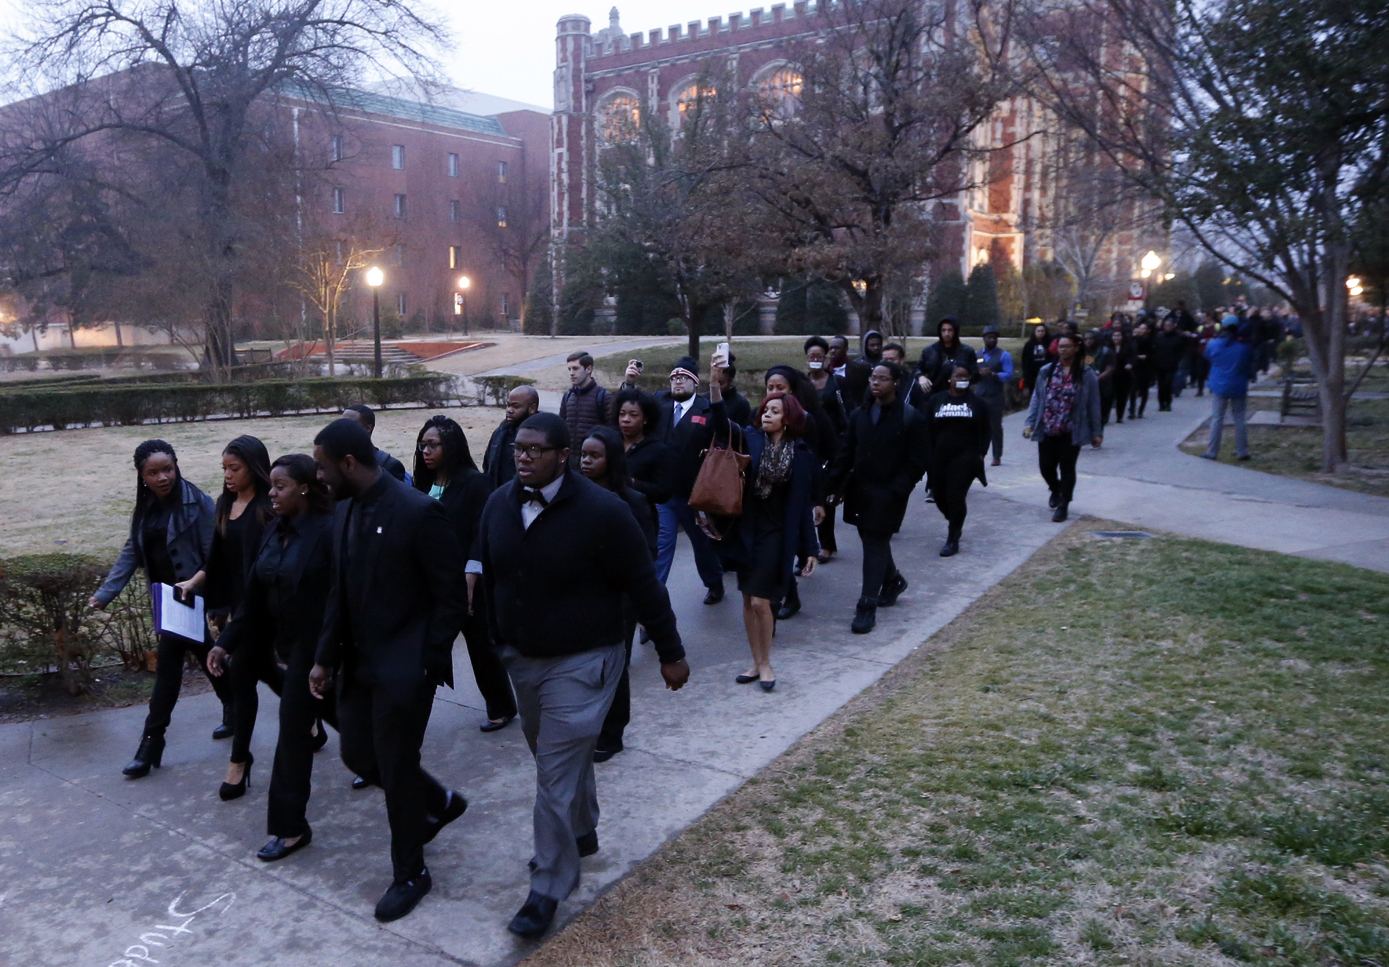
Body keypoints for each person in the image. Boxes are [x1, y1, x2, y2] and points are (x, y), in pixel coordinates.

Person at [476, 412, 690, 938]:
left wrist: (670, 651)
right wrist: (494, 638)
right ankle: (585, 829)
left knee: (553, 772)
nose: (522, 457)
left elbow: (645, 584)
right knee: (556, 757)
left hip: (586, 659)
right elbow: (486, 568)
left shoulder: (604, 512)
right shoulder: (499, 503)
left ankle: (548, 884)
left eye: (534, 450)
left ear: (562, 456)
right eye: (518, 449)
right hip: (523, 660)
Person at [309, 418, 469, 923]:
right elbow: (339, 590)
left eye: (321, 466)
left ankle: (411, 873)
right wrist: (323, 657)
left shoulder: (420, 512)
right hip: (357, 663)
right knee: (358, 753)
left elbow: (451, 600)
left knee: (396, 768)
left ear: (349, 463)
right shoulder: (344, 510)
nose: (318, 476)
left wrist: (425, 661)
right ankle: (438, 800)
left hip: (404, 669)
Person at [212, 454, 337, 861]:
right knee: (363, 739)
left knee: (293, 732)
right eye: (272, 486)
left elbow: (342, 599)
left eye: (280, 486)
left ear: (304, 487)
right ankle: (432, 800)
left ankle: (289, 829)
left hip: (320, 649)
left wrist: (327, 656)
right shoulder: (271, 531)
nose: (272, 492)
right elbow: (254, 598)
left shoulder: (329, 530)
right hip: (290, 645)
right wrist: (225, 642)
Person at [90, 440, 235, 779]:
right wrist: (106, 592)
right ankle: (234, 705)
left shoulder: (196, 502)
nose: (162, 478)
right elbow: (132, 550)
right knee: (204, 653)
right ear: (142, 476)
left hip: (189, 597)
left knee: (168, 670)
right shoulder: (146, 507)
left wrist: (214, 601)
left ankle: (150, 744)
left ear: (176, 466)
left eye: (167, 469)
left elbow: (215, 553)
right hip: (165, 600)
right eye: (153, 472)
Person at [710, 354, 821, 689]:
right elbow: (720, 423)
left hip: (776, 534)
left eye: (774, 410)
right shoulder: (749, 439)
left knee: (761, 600)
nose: (766, 413)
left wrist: (810, 548)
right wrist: (713, 382)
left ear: (788, 418)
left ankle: (767, 662)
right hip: (746, 530)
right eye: (765, 408)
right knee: (747, 599)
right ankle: (756, 662)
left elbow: (802, 507)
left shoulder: (801, 456)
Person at [415, 415, 517, 733]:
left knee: (482, 649)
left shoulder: (475, 483)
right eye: (422, 444)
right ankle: (409, 721)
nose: (425, 451)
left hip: (469, 585)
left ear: (452, 446)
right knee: (426, 650)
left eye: (433, 444)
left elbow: (483, 532)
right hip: (433, 584)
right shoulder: (422, 484)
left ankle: (501, 706)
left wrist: (471, 574)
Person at [194, 436, 278, 799]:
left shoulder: (268, 508)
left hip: (264, 608)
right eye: (224, 469)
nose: (228, 476)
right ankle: (314, 716)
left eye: (235, 468)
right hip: (239, 609)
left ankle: (239, 763)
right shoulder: (225, 504)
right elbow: (217, 559)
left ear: (254, 468)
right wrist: (200, 587)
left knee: (242, 673)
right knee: (270, 673)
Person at [827, 362, 929, 635]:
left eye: (883, 379)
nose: (876, 382)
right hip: (860, 490)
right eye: (874, 377)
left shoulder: (911, 418)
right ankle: (893, 579)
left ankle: (866, 606)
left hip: (890, 492)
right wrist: (828, 487)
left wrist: (900, 487)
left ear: (895, 383)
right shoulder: (860, 416)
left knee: (874, 541)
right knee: (871, 538)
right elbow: (845, 454)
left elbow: (919, 459)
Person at [579, 425, 658, 761]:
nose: (585, 461)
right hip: (581, 596)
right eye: (583, 454)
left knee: (613, 665)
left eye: (594, 456)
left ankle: (612, 734)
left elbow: (645, 555)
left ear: (611, 459)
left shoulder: (633, 501)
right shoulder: (574, 495)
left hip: (618, 599)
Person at [621, 356, 724, 603]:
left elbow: (723, 430)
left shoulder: (706, 408)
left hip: (694, 494)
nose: (677, 381)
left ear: (695, 383)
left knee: (702, 545)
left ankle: (714, 583)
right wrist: (629, 383)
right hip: (663, 494)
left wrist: (715, 387)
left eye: (684, 378)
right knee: (662, 546)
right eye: (674, 377)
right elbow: (628, 407)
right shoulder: (659, 403)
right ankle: (651, 602)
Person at [1023, 332, 1103, 523]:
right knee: (1045, 467)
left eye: (1067, 346)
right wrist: (1029, 422)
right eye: (1060, 346)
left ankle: (1064, 504)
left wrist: (1096, 432)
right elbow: (1037, 398)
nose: (1063, 350)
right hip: (1048, 427)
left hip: (1071, 430)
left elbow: (1094, 404)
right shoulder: (1047, 371)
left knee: (1067, 468)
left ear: (1076, 348)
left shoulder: (1086, 373)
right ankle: (1055, 489)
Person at [923, 366, 992, 556]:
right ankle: (955, 519)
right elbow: (927, 428)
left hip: (966, 457)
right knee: (939, 496)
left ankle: (953, 537)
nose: (961, 379)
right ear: (949, 379)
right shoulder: (936, 400)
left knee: (955, 495)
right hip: (939, 456)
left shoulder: (977, 403)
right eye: (957, 376)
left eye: (965, 376)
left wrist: (981, 454)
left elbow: (987, 430)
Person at [614, 387, 673, 517]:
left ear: (645, 419)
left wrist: (632, 483)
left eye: (633, 415)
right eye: (622, 414)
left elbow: (663, 492)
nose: (626, 419)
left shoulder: (657, 450)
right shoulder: (610, 442)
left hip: (640, 518)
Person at [1202, 315, 1253, 462]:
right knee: (1239, 418)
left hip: (1219, 385)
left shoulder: (1213, 344)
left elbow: (1207, 357)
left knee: (1217, 419)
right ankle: (1242, 451)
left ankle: (1212, 452)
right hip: (1238, 384)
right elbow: (1247, 364)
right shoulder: (1243, 347)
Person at [558, 351, 612, 469]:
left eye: (576, 368)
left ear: (588, 369)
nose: (571, 373)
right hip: (569, 461)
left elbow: (612, 432)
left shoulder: (603, 396)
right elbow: (561, 427)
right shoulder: (568, 396)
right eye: (569, 369)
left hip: (594, 462)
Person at [483, 384, 541, 491]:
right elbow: (487, 466)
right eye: (508, 405)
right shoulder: (500, 432)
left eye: (516, 406)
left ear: (532, 408)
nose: (509, 410)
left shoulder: (542, 435)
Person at [974, 326, 1014, 465]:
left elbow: (1009, 375)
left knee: (995, 426)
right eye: (989, 337)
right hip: (979, 394)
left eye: (994, 337)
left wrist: (994, 374)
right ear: (984, 338)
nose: (992, 340)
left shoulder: (1004, 355)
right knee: (976, 425)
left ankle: (997, 455)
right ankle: (977, 453)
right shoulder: (977, 355)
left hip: (995, 395)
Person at [343, 403, 410, 484]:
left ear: (368, 428)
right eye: (341, 423)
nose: (342, 428)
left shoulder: (389, 465)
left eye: (350, 425)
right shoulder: (335, 460)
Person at [915, 317, 979, 394]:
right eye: (943, 330)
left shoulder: (967, 351)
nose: (946, 333)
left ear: (955, 331)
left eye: (950, 330)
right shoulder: (930, 351)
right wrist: (921, 377)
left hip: (960, 394)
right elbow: (917, 368)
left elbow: (975, 374)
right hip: (934, 393)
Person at [1151, 317, 1189, 411]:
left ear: (1173, 326)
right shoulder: (1159, 336)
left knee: (1167, 384)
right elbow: (1154, 349)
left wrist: (1177, 359)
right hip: (1159, 364)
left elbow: (1182, 350)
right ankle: (1161, 403)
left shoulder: (1178, 337)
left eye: (1169, 325)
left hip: (1172, 365)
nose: (1168, 327)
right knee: (1160, 385)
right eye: (1166, 325)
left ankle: (1168, 403)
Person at [1083, 330, 1117, 428]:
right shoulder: (1081, 352)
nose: (1088, 341)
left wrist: (1097, 379)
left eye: (1091, 339)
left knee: (1101, 412)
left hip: (1102, 385)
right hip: (1085, 385)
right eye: (1086, 339)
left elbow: (1110, 368)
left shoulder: (1106, 351)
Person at [828, 334, 870, 410]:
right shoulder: (826, 371)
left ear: (846, 349)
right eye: (831, 348)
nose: (833, 351)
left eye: (837, 348)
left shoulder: (861, 369)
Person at [1105, 328, 1134, 425]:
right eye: (1114, 335)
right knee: (1108, 397)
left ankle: (1119, 416)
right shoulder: (1108, 347)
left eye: (1118, 335)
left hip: (1124, 375)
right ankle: (1105, 417)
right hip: (1111, 375)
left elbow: (1132, 357)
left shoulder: (1128, 347)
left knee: (1122, 397)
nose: (1116, 338)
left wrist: (1130, 364)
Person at [715, 357, 753, 427]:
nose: (716, 386)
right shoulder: (704, 399)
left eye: (721, 383)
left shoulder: (741, 404)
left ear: (730, 382)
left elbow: (742, 433)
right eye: (714, 381)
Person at [1130, 321, 1154, 418]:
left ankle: (1141, 410)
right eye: (1140, 328)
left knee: (1144, 390)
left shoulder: (1149, 340)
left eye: (1144, 328)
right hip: (1135, 367)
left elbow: (1151, 353)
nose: (1141, 330)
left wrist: (1146, 356)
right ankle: (1132, 410)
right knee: (1133, 389)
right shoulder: (1133, 339)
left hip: (1146, 367)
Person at [1020, 323, 1053, 394]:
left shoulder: (1049, 344)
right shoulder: (1029, 345)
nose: (1040, 333)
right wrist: (1025, 375)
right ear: (1035, 332)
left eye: (1042, 331)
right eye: (1038, 331)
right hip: (1032, 375)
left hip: (1046, 373)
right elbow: (1025, 360)